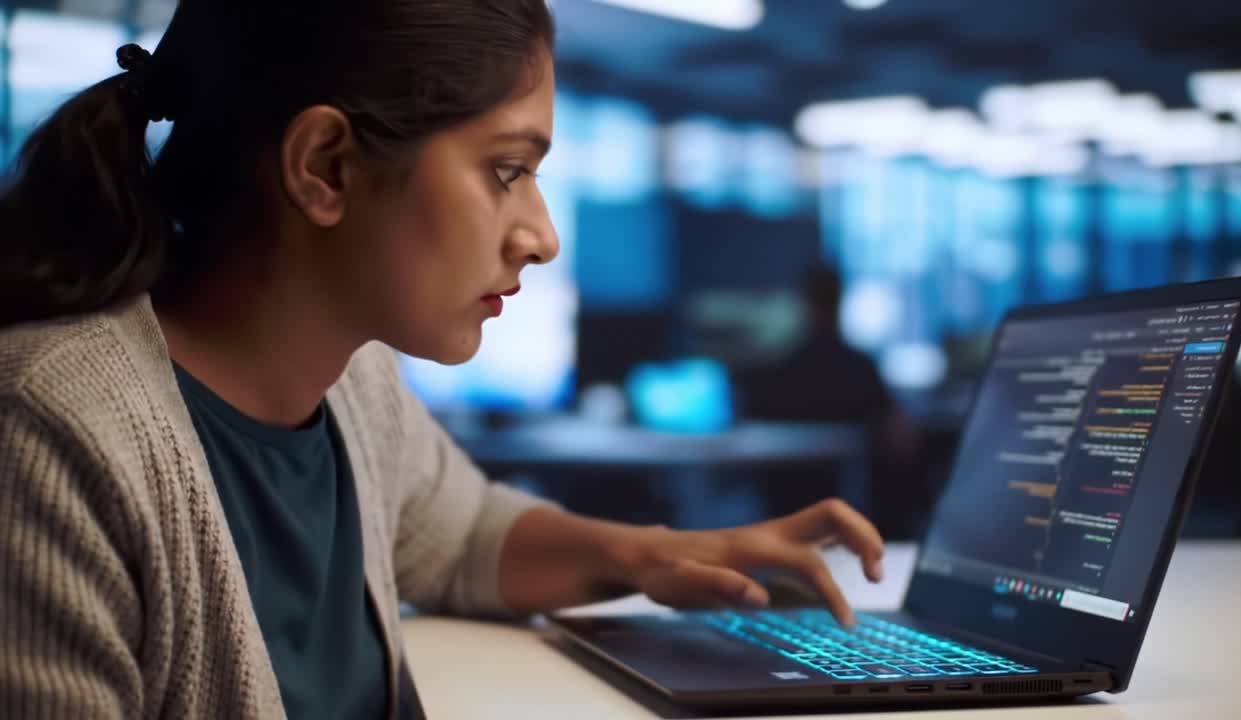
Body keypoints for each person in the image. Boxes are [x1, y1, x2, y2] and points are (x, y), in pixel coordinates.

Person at [0, 2, 885, 718]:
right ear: (326, 167)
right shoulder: (50, 437)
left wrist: (662, 556)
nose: (543, 237)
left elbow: (462, 536)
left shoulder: (354, 382)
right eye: (507, 170)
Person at [741, 265, 923, 537]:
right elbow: (899, 436)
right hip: (857, 513)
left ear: (805, 302)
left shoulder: (781, 371)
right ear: (840, 300)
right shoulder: (859, 367)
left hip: (787, 515)